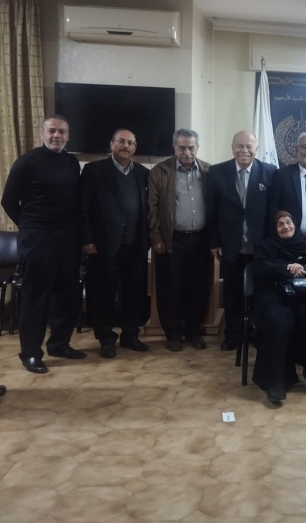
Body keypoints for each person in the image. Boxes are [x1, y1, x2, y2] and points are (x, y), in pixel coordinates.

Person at [1, 115, 84, 373]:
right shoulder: (27, 162)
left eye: (62, 131)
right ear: (42, 134)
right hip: (37, 238)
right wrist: (29, 225)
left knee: (68, 295)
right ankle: (30, 354)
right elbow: (8, 201)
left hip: (67, 238)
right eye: (51, 131)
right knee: (36, 297)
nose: (56, 135)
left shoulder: (72, 163)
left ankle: (59, 344)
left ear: (68, 136)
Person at [79, 128, 150, 358]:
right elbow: (83, 208)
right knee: (103, 294)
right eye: (121, 141)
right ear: (111, 144)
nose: (126, 146)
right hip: (103, 245)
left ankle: (131, 335)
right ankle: (106, 339)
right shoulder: (94, 170)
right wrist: (87, 239)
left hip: (135, 245)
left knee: (134, 293)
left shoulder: (143, 173)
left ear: (135, 148)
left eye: (131, 143)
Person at [207, 131, 276, 351]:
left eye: (249, 146)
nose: (244, 150)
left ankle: (255, 332)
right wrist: (214, 242)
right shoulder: (217, 172)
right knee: (232, 293)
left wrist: (272, 244)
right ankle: (233, 335)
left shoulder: (270, 172)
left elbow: (272, 212)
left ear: (256, 149)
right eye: (239, 146)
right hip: (230, 245)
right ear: (232, 147)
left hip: (260, 246)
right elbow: (212, 210)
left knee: (260, 292)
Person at [253, 211, 306, 403]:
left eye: (289, 222)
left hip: (303, 291)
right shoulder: (266, 246)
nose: (285, 227)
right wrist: (287, 268)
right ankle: (276, 381)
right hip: (273, 292)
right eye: (280, 224)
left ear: (295, 225)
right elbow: (261, 268)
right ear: (274, 229)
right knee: (278, 321)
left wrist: (304, 269)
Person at [148, 129, 212, 352]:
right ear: (174, 147)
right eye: (182, 147)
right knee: (170, 288)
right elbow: (152, 207)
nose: (186, 152)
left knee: (198, 287)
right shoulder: (160, 171)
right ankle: (173, 333)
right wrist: (156, 236)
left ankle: (194, 330)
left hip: (201, 240)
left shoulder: (208, 171)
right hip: (171, 239)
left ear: (197, 148)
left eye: (191, 148)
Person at [268, 131, 306, 255]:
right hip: (292, 244)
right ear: (296, 149)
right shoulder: (282, 175)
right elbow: (273, 208)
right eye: (304, 147)